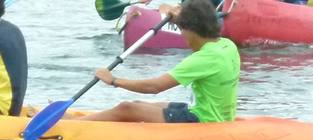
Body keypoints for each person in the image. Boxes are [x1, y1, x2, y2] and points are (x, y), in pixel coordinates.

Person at [84, 0, 239, 124]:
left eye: (183, 30)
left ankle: (73, 127)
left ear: (192, 30)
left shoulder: (203, 59)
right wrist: (181, 18)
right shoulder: (227, 45)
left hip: (202, 119)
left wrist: (114, 80)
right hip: (207, 111)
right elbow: (197, 23)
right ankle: (80, 121)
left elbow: (154, 87)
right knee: (137, 103)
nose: (183, 37)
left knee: (126, 108)